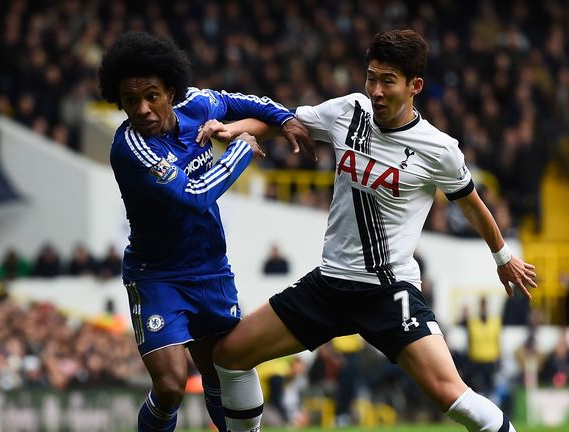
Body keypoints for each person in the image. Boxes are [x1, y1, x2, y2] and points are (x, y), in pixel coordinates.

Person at [213, 29, 537, 432]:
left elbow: (471, 203)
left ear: (414, 86)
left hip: (389, 292)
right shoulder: (347, 111)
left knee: (451, 395)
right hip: (330, 286)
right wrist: (234, 129)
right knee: (229, 355)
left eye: (388, 81)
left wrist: (503, 258)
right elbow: (284, 122)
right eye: (371, 78)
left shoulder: (439, 149)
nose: (376, 91)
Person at [97, 32, 313, 432]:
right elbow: (194, 195)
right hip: (158, 275)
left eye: (152, 96)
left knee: (220, 376)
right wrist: (242, 148)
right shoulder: (130, 148)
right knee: (171, 386)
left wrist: (284, 118)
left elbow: (242, 102)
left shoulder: (197, 104)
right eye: (131, 100)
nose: (142, 109)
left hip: (211, 269)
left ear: (171, 92)